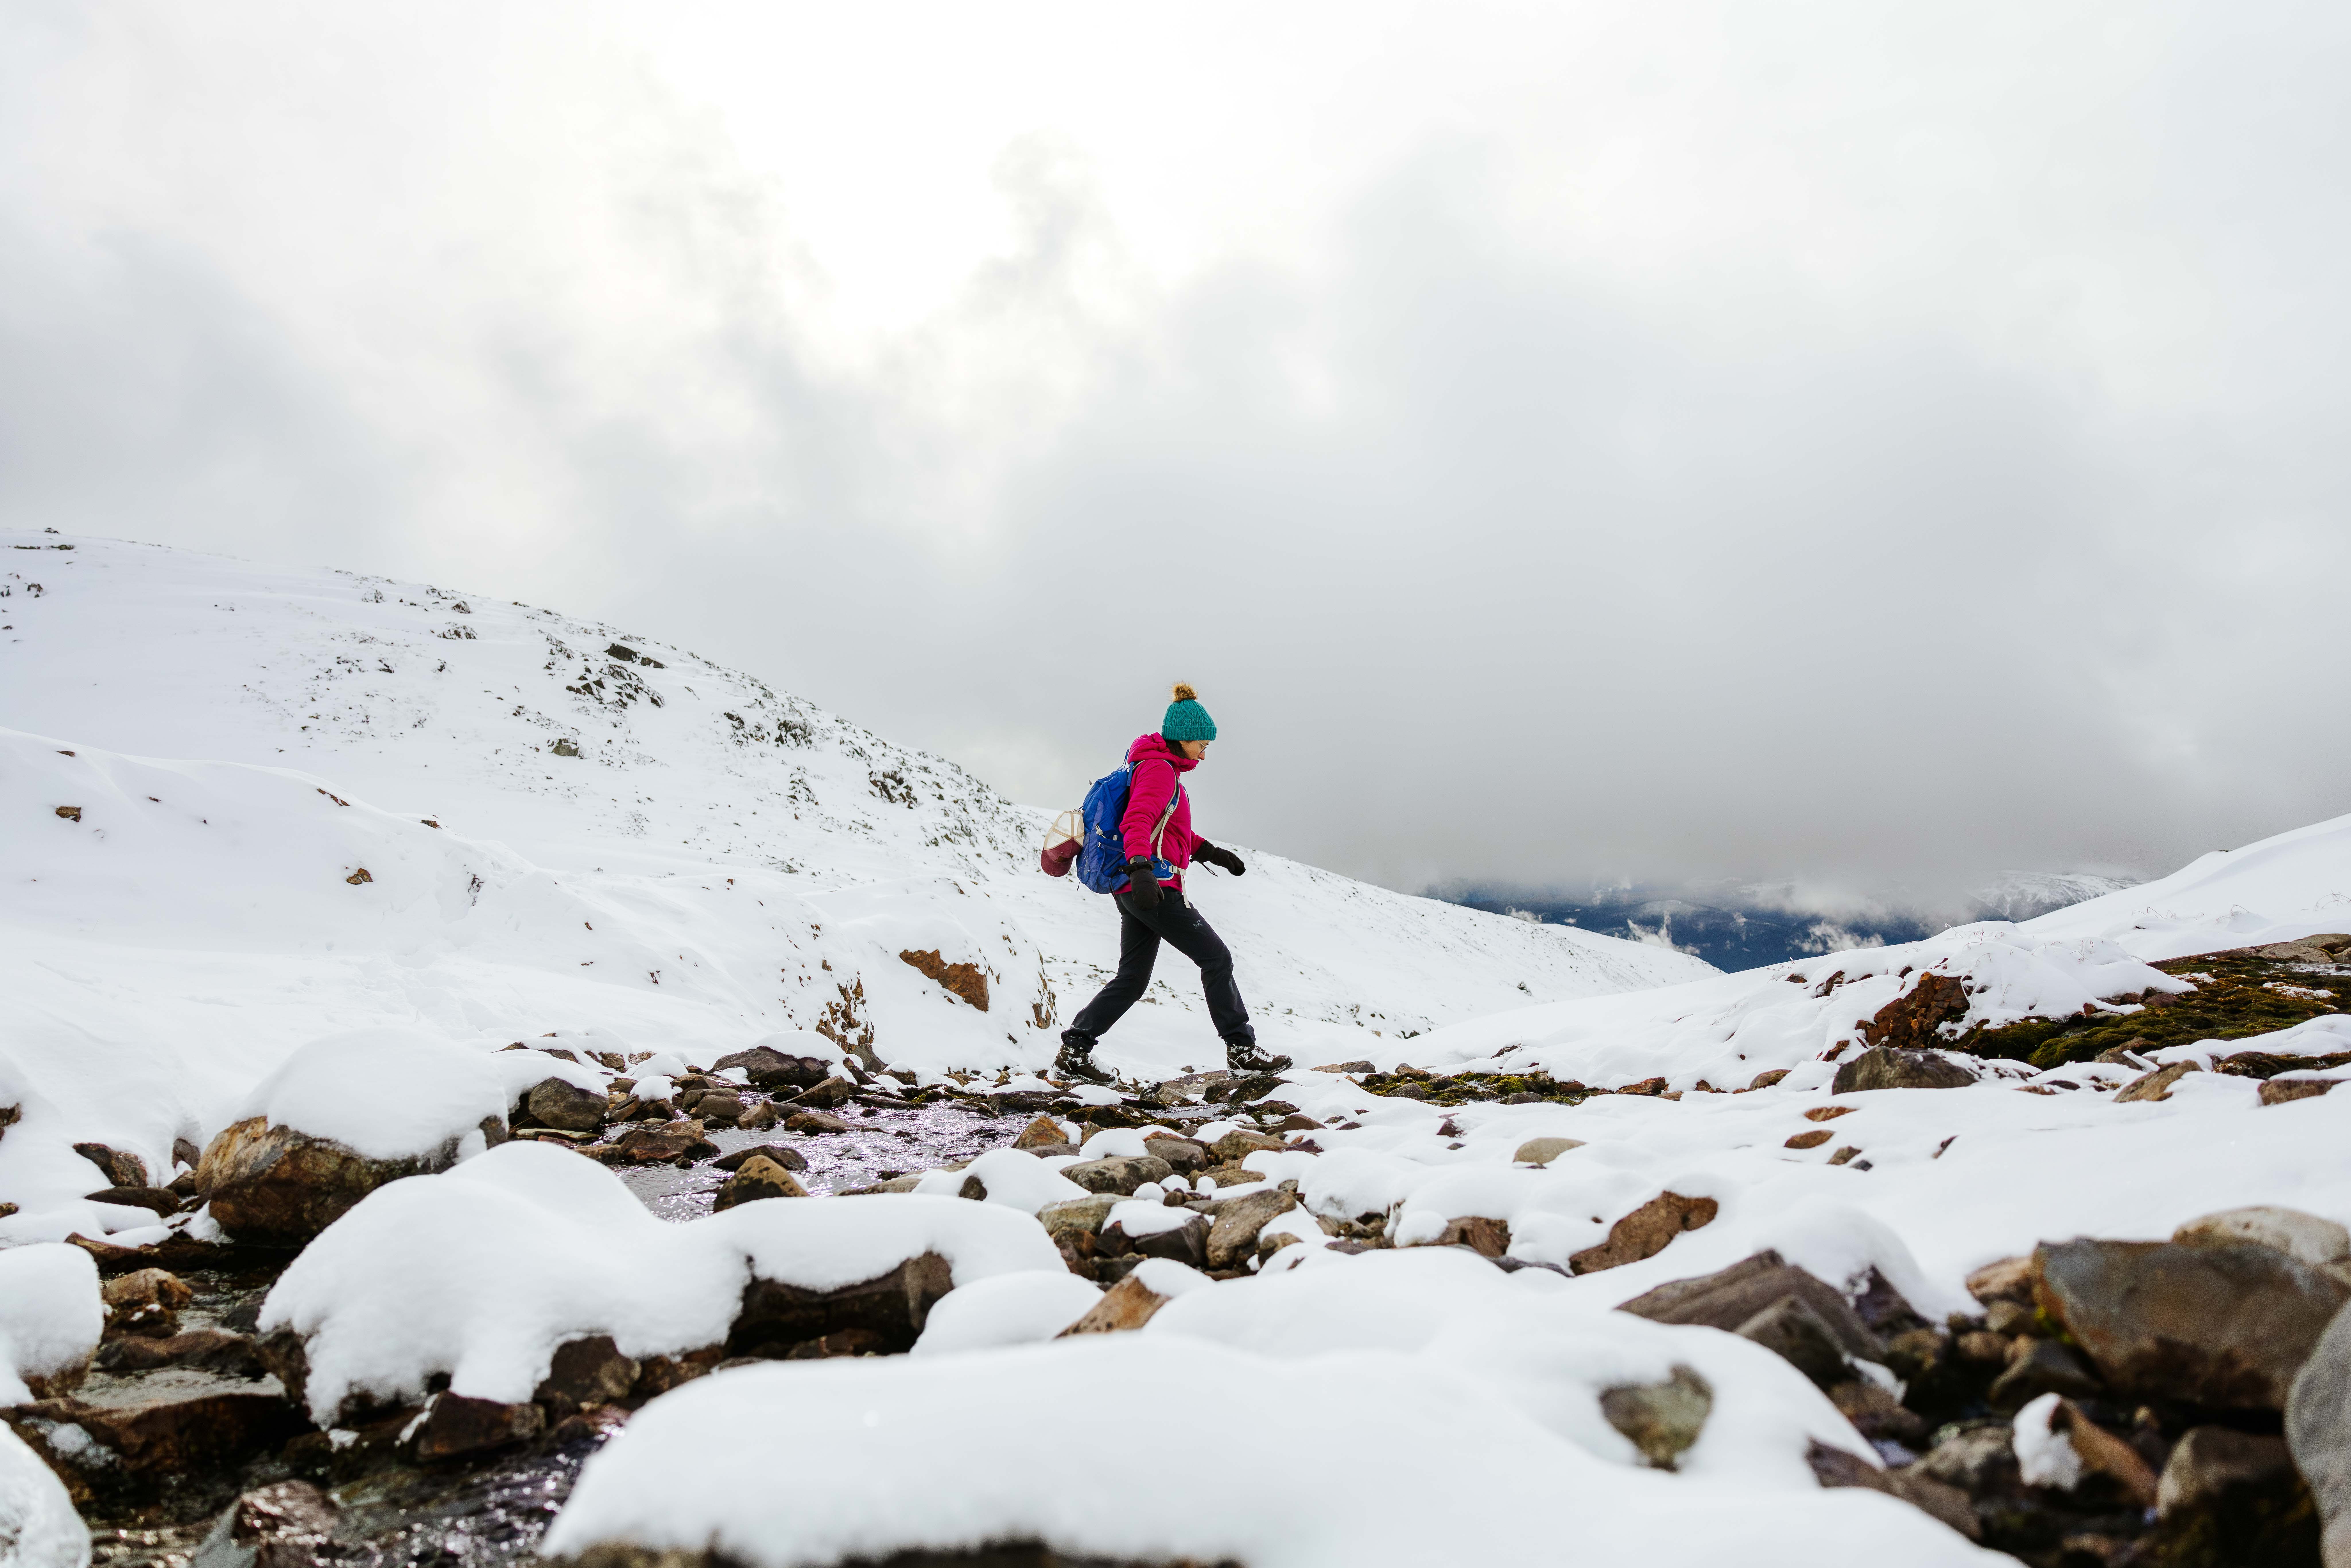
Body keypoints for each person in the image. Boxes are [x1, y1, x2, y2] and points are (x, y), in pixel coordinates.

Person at [1054, 684, 1292, 1085]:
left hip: (1136, 888)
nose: (1205, 751)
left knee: (1131, 980)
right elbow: (1137, 822)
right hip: (1152, 887)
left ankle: (1075, 1051)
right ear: (1183, 738)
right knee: (1217, 959)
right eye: (1202, 743)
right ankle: (1242, 1050)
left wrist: (1211, 852)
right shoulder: (1160, 771)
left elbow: (1170, 831)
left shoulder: (1156, 768)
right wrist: (1141, 868)